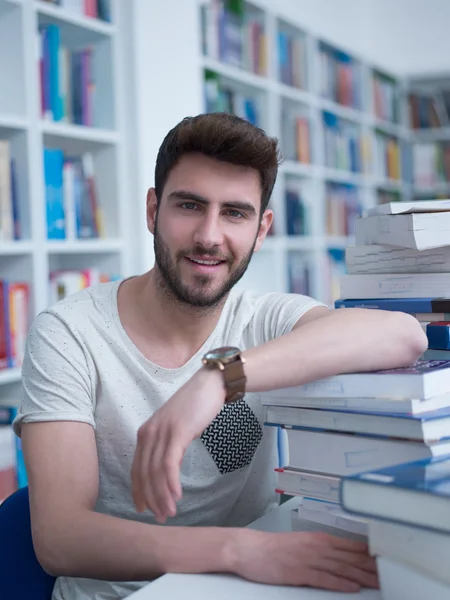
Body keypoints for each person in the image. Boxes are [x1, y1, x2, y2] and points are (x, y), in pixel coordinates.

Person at [13, 113, 427, 600]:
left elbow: (402, 336)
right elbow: (62, 540)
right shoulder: (69, 332)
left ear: (261, 228)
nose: (209, 236)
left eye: (234, 213)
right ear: (153, 211)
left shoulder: (264, 321)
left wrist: (218, 379)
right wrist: (240, 550)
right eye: (190, 205)